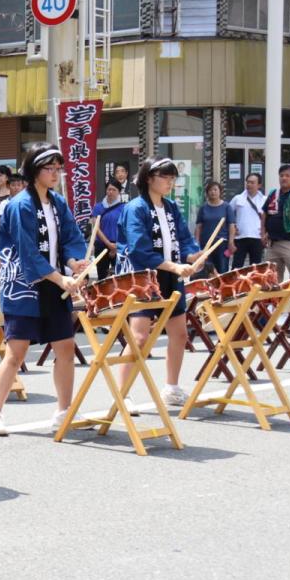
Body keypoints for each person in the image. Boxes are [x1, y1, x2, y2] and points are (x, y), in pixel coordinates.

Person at [0, 145, 88, 437]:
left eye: (58, 168)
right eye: (49, 169)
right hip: (24, 286)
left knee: (65, 348)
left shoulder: (58, 203)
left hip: (55, 285)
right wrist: (61, 278)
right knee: (16, 352)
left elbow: (70, 237)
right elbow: (28, 254)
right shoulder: (19, 205)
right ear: (33, 171)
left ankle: (64, 410)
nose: (55, 174)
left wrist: (74, 262)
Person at [117, 158, 203, 411]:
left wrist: (192, 255)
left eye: (172, 178)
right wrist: (175, 265)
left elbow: (184, 238)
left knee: (180, 334)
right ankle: (122, 394)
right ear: (148, 178)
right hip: (143, 278)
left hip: (170, 277)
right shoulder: (136, 208)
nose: (170, 182)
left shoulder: (171, 207)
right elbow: (139, 250)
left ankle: (172, 388)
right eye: (165, 177)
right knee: (139, 338)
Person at [194, 180, 234, 275]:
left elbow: (231, 226)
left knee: (222, 271)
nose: (213, 192)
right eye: (210, 190)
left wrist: (231, 242)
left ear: (220, 191)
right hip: (206, 245)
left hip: (221, 245)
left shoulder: (226, 207)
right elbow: (198, 226)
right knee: (206, 271)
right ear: (207, 192)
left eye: (215, 190)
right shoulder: (203, 208)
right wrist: (196, 243)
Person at [228, 173, 267, 268]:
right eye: (248, 182)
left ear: (259, 185)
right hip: (240, 238)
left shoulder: (265, 200)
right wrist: (233, 228)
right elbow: (228, 214)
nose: (249, 184)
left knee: (256, 268)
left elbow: (269, 218)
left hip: (257, 238)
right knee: (236, 267)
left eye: (252, 182)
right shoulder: (238, 198)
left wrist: (266, 234)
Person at [91, 178, 125, 281]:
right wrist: (109, 245)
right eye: (109, 189)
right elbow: (96, 228)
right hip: (101, 246)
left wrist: (115, 247)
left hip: (118, 246)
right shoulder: (98, 207)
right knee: (102, 278)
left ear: (119, 192)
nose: (110, 192)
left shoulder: (124, 207)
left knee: (119, 277)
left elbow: (125, 228)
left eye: (114, 190)